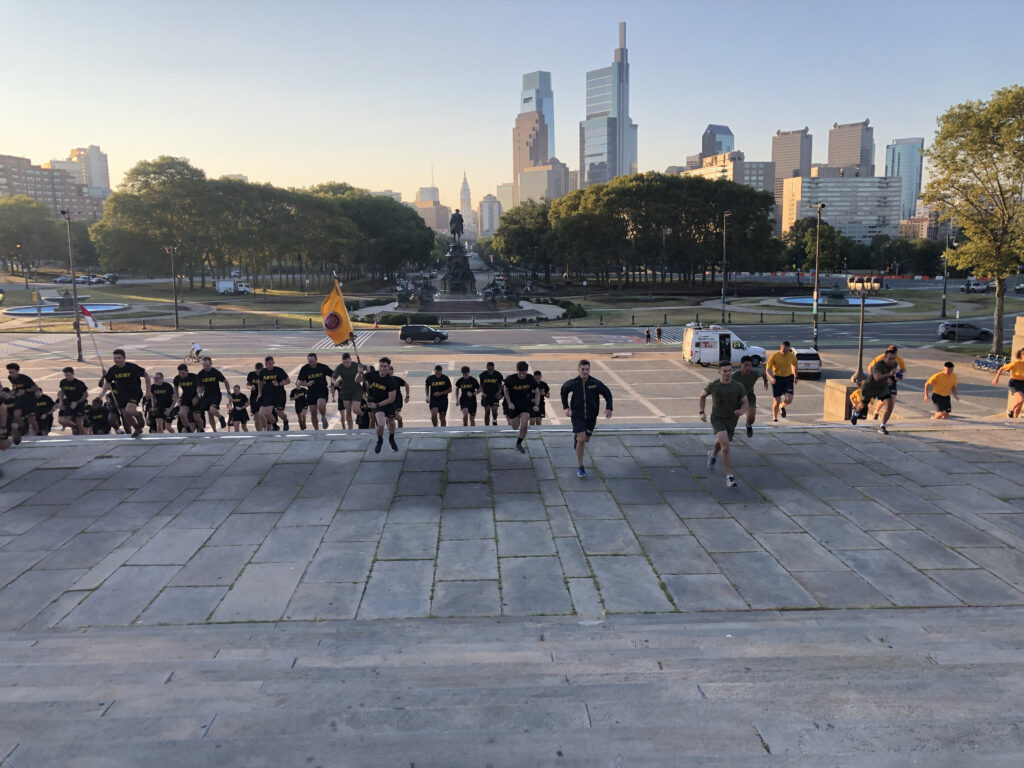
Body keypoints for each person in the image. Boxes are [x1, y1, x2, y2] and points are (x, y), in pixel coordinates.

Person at [560, 359, 613, 479]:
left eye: (587, 369)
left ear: (590, 370)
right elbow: (563, 391)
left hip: (591, 417)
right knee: (582, 438)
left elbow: (607, 394)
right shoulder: (573, 383)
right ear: (578, 370)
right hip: (577, 416)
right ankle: (581, 467)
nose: (585, 371)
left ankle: (577, 439)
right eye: (582, 369)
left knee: (586, 440)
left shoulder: (595, 383)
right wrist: (566, 408)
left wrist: (609, 408)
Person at [699, 362, 749, 488]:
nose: (728, 373)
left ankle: (712, 454)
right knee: (726, 447)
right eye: (725, 371)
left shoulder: (738, 386)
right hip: (717, 418)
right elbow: (702, 396)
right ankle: (729, 477)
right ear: (719, 372)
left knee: (722, 442)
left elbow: (745, 402)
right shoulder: (714, 385)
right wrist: (702, 412)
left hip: (732, 419)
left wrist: (742, 411)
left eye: (729, 370)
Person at [100, 349, 150, 438]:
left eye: (119, 358)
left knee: (129, 410)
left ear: (124, 358)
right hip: (122, 394)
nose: (116, 360)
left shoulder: (132, 367)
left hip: (134, 392)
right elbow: (107, 382)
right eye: (115, 358)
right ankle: (137, 428)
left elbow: (146, 375)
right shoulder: (113, 370)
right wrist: (102, 393)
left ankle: (138, 415)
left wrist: (148, 391)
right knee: (125, 415)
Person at [850, 348, 898, 434]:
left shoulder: (895, 364)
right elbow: (877, 377)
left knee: (890, 405)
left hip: (882, 387)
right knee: (863, 405)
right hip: (870, 386)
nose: (892, 361)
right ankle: (856, 413)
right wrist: (889, 374)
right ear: (885, 358)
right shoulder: (878, 365)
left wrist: (892, 379)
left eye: (893, 358)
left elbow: (892, 375)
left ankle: (882, 426)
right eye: (889, 359)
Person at [360, 357, 398, 453]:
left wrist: (377, 405)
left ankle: (391, 438)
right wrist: (359, 372)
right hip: (377, 404)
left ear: (389, 368)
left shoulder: (391, 381)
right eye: (381, 366)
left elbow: (391, 399)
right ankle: (380, 440)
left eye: (385, 366)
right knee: (380, 425)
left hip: (388, 404)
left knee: (391, 423)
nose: (382, 368)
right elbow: (357, 380)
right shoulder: (373, 375)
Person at [503, 360, 540, 454]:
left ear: (526, 371)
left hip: (525, 405)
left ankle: (518, 443)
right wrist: (509, 402)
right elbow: (505, 389)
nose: (522, 375)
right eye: (520, 373)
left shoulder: (530, 379)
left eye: (524, 373)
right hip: (514, 405)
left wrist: (536, 404)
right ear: (517, 370)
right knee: (515, 427)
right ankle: (514, 416)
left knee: (524, 425)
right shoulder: (511, 379)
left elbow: (537, 392)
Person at [732, 355, 769, 438]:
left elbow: (763, 373)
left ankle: (748, 425)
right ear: (741, 365)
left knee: (751, 418)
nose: (748, 368)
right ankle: (730, 432)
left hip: (749, 397)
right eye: (745, 365)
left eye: (750, 365)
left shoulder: (754, 373)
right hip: (738, 398)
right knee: (734, 419)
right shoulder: (734, 376)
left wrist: (765, 381)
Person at [297, 352, 333, 430]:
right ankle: (316, 430)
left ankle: (323, 417)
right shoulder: (305, 368)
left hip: (322, 390)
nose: (311, 363)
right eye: (310, 362)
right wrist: (307, 384)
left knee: (320, 404)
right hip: (311, 392)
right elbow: (299, 382)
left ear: (316, 360)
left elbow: (333, 375)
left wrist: (332, 384)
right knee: (313, 413)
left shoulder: (322, 367)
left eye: (313, 361)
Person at [870, 346, 907, 419]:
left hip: (892, 380)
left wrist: (899, 373)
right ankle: (876, 412)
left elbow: (904, 369)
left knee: (892, 399)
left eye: (894, 353)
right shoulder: (881, 358)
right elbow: (870, 367)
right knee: (884, 399)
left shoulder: (898, 359)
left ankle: (886, 416)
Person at [765, 340, 798, 422]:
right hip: (777, 379)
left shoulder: (791, 355)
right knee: (777, 401)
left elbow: (795, 365)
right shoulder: (774, 356)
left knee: (789, 399)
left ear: (789, 349)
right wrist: (771, 378)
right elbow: (767, 370)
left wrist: (795, 377)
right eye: (783, 350)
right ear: (780, 348)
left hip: (788, 378)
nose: (785, 352)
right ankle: (775, 418)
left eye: (787, 350)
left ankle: (782, 406)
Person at [196, 357, 230, 432]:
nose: (205, 367)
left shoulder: (215, 372)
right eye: (204, 365)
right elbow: (199, 386)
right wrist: (199, 394)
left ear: (211, 364)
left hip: (216, 395)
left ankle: (221, 417)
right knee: (210, 414)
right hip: (206, 395)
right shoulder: (200, 374)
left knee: (212, 409)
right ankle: (214, 431)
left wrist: (229, 393)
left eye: (207, 365)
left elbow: (225, 381)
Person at [257, 355, 291, 432]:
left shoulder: (279, 370)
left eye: (270, 364)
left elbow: (288, 381)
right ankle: (275, 426)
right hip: (268, 395)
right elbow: (260, 381)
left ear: (273, 363)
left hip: (279, 395)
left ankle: (285, 421)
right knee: (267, 413)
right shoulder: (263, 372)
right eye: (266, 364)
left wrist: (279, 384)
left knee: (279, 413)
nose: (268, 366)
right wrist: (259, 392)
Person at [6, 362, 37, 441]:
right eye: (10, 372)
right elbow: (15, 386)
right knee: (16, 415)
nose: (11, 374)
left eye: (13, 372)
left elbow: (35, 388)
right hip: (19, 399)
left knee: (31, 419)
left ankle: (39, 434)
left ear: (17, 371)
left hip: (29, 399)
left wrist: (25, 391)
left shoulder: (25, 378)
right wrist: (12, 392)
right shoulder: (10, 378)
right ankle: (23, 429)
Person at [333, 352, 362, 430]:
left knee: (355, 409)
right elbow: (333, 377)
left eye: (347, 362)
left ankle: (364, 416)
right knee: (348, 411)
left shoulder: (355, 365)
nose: (346, 364)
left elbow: (367, 368)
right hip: (345, 391)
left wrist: (362, 371)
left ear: (350, 359)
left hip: (356, 389)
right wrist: (334, 382)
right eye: (344, 362)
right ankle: (350, 428)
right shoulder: (340, 367)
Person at [992, 347, 1024, 419]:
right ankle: (1011, 409)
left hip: (1023, 383)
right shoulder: (1015, 364)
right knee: (1021, 399)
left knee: (1020, 404)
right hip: (1015, 383)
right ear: (1022, 355)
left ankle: (1015, 420)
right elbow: (1002, 368)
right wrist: (996, 378)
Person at [57, 366, 89, 435]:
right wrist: (61, 401)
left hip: (79, 404)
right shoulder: (63, 382)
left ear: (72, 374)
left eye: (68, 375)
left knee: (79, 423)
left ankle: (82, 438)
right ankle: (75, 427)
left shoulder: (79, 383)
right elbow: (62, 391)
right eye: (65, 375)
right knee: (63, 421)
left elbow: (86, 395)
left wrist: (76, 403)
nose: (67, 377)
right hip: (69, 403)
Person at [173, 363, 203, 433]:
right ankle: (188, 428)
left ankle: (201, 429)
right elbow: (175, 388)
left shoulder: (194, 377)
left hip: (195, 397)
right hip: (185, 398)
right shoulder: (177, 379)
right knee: (181, 414)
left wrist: (198, 396)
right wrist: (177, 399)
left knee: (197, 418)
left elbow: (201, 388)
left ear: (187, 371)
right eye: (180, 373)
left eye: (183, 373)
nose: (181, 375)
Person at [479, 362, 504, 426]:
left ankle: (494, 420)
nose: (490, 371)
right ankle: (487, 427)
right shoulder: (483, 375)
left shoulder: (498, 375)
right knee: (487, 412)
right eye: (489, 369)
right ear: (486, 368)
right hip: (486, 396)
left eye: (491, 370)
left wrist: (499, 392)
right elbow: (481, 385)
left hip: (494, 395)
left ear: (493, 368)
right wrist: (482, 392)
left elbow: (500, 384)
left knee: (494, 411)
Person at [246, 362, 265, 429]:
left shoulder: (266, 374)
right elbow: (247, 385)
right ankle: (259, 434)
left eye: (260, 371)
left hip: (264, 397)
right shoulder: (251, 375)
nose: (259, 373)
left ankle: (267, 430)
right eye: (257, 371)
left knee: (263, 416)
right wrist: (250, 387)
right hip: (254, 397)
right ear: (255, 369)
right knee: (256, 418)